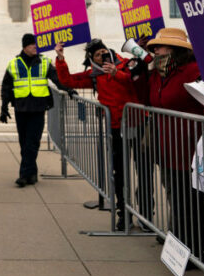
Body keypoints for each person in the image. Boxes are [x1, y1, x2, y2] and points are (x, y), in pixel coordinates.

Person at [132, 28, 204, 262]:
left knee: (188, 204)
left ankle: (192, 251)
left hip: (190, 149)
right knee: (177, 199)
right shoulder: (159, 73)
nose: (156, 50)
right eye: (154, 47)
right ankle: (180, 244)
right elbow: (148, 100)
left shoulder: (194, 71)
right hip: (168, 148)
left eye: (160, 47)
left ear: (175, 50)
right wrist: (138, 75)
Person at [54, 38, 140, 230]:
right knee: (120, 172)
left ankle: (145, 214)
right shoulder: (94, 75)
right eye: (97, 55)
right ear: (92, 59)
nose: (102, 56)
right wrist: (60, 59)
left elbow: (134, 80)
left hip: (137, 124)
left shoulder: (126, 65)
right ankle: (123, 214)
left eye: (103, 52)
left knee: (143, 171)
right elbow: (67, 80)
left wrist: (116, 72)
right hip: (115, 128)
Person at [0, 33, 68, 187]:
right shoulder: (13, 64)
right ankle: (32, 173)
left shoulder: (44, 62)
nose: (36, 47)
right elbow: (6, 86)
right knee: (24, 143)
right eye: (33, 45)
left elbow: (57, 79)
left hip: (38, 108)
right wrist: (4, 107)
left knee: (32, 142)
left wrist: (69, 89)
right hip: (21, 108)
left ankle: (23, 175)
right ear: (25, 46)